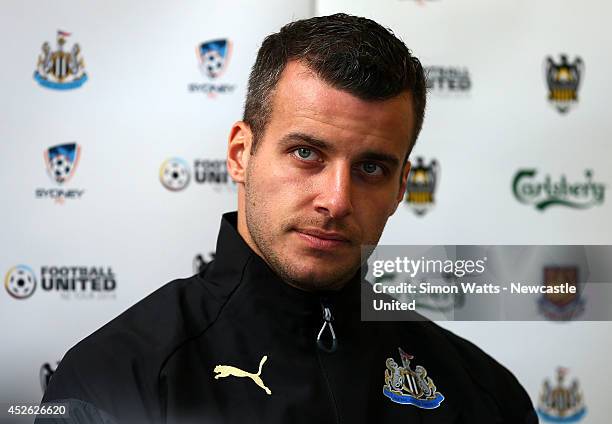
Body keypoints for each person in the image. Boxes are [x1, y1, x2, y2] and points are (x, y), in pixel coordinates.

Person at [37, 13, 537, 424]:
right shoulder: (115, 379)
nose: (336, 200)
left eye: (370, 168)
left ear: (401, 187)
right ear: (240, 154)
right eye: (305, 153)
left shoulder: (484, 395)